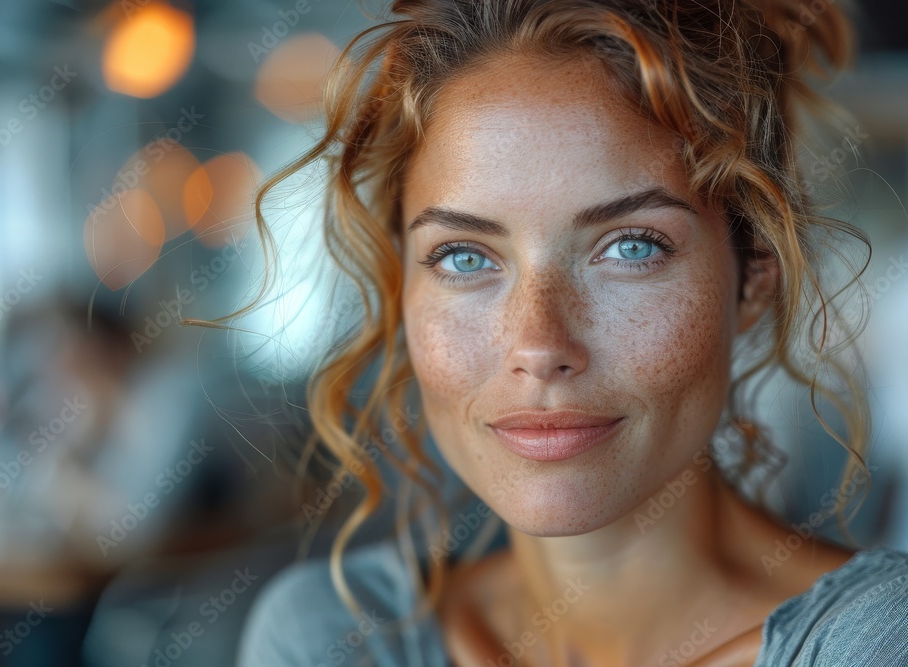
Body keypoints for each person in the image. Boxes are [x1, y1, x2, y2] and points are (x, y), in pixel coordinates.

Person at [231, 0, 908, 665]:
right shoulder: (331, 636)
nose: (539, 345)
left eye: (631, 247)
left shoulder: (872, 643)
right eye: (464, 256)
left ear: (754, 278)